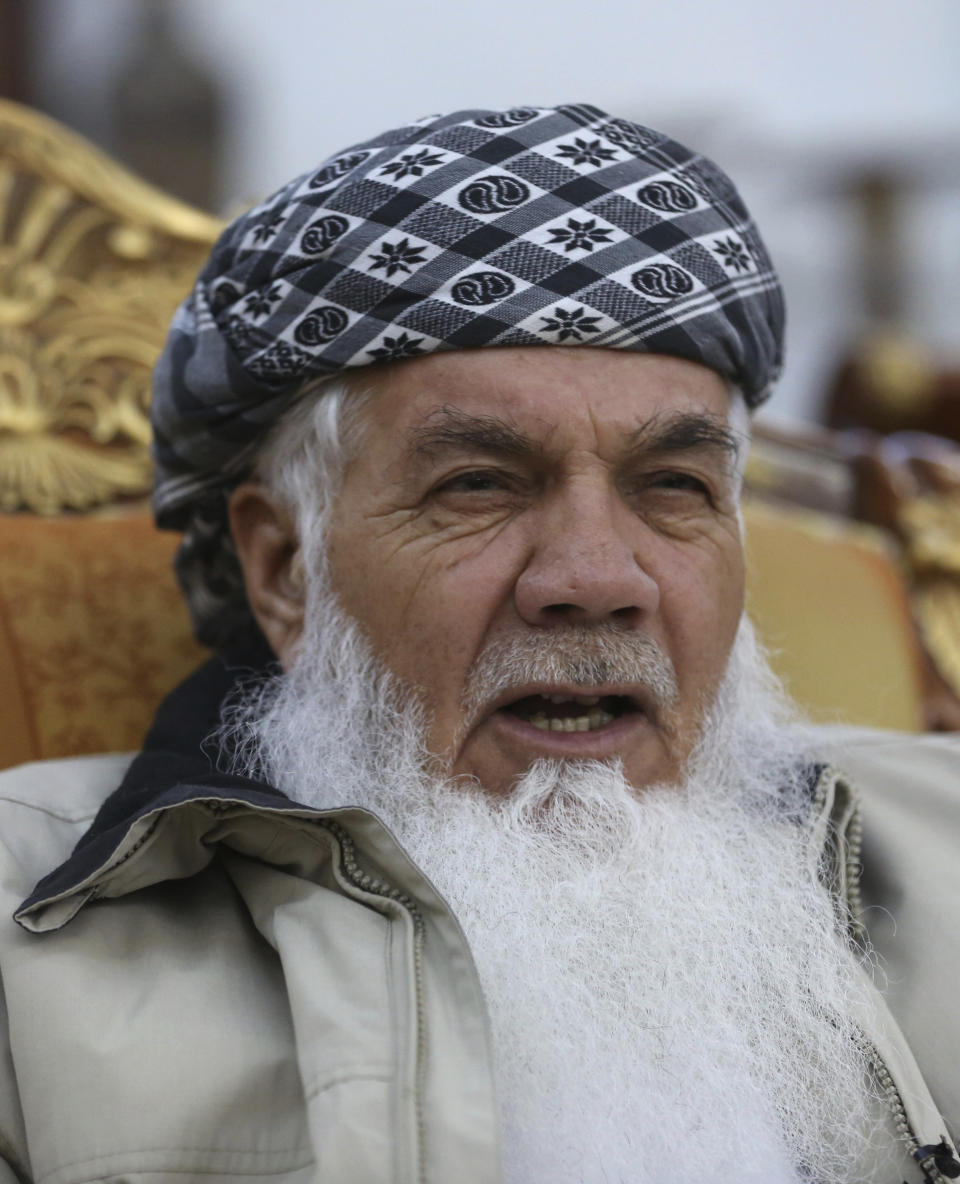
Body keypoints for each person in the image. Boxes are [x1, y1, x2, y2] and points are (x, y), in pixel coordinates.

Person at [0, 103, 958, 1184]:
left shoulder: (946, 849)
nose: (596, 580)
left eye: (674, 488)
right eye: (478, 485)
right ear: (284, 569)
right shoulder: (22, 966)